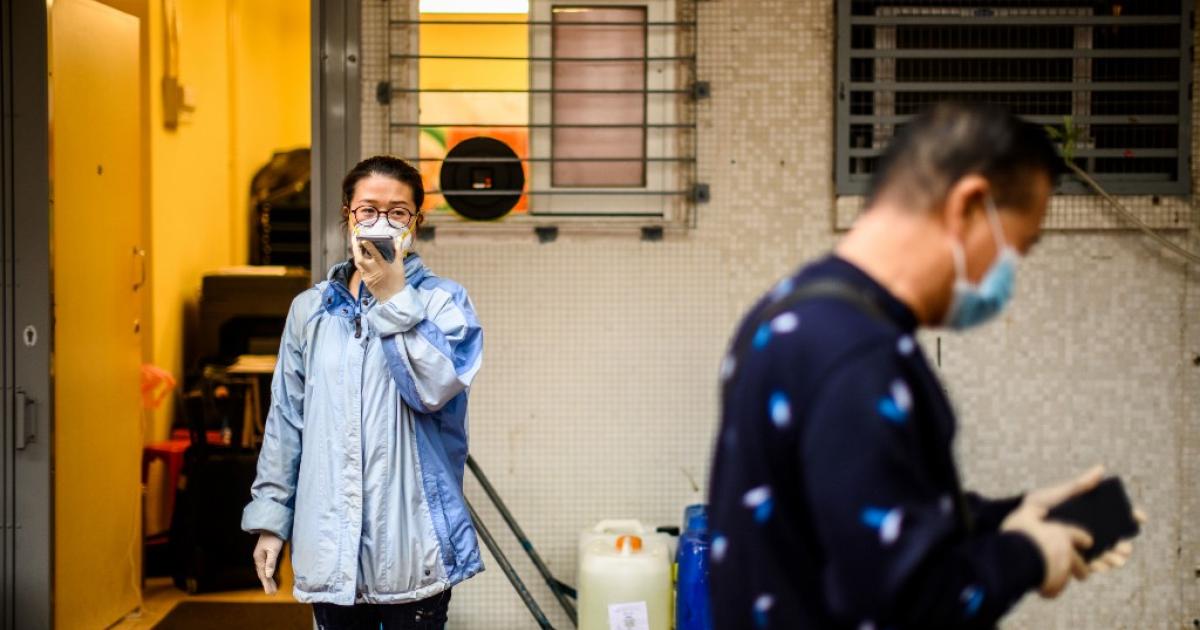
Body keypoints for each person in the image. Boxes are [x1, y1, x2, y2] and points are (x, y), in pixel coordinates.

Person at [707, 103, 1141, 629]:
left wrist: (1010, 514)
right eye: (1017, 248)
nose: (1010, 276)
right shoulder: (860, 357)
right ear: (968, 206)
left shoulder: (788, 311)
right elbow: (905, 602)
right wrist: (1029, 555)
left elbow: (859, 515)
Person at [241, 156, 484, 629]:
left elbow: (432, 389)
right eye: (368, 210)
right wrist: (271, 521)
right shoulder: (310, 310)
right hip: (329, 549)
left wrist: (394, 297)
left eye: (398, 212)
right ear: (347, 215)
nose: (381, 222)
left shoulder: (443, 302)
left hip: (414, 552)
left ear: (417, 222)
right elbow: (286, 422)